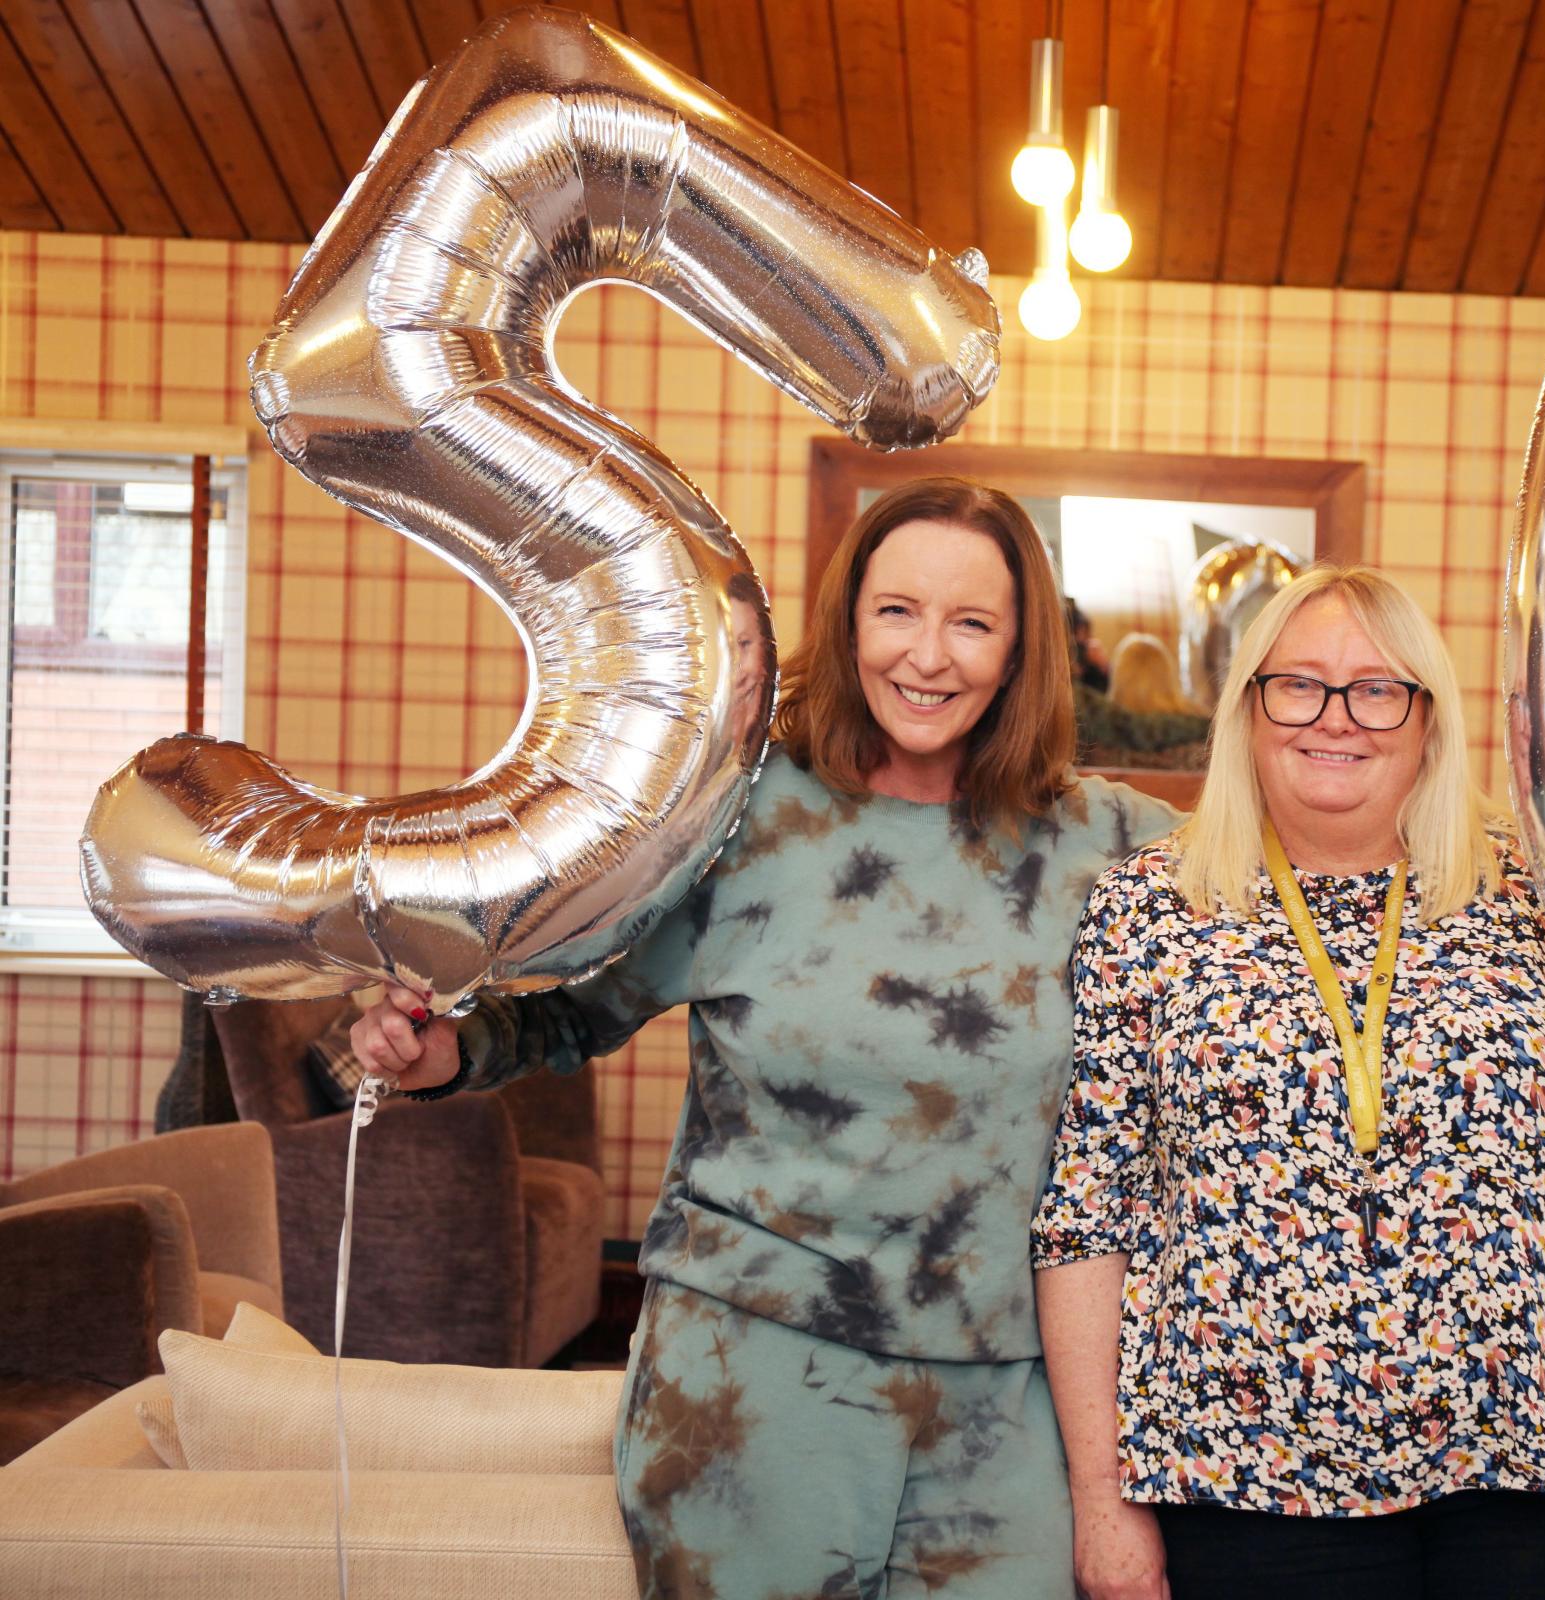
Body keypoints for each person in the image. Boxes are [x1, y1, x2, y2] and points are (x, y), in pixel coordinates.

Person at [350, 477, 1181, 1600]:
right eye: (896, 611)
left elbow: (1300, 898)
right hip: (759, 1372)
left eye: (972, 622)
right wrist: (438, 1050)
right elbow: (563, 1013)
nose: (928, 655)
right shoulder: (738, 818)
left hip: (1011, 1393)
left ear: (1023, 648)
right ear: (847, 623)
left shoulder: (1112, 844)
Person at [1030, 565, 1545, 1600]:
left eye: (1380, 689)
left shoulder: (1539, 897)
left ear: (1429, 719)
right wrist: (1103, 1503)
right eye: (1299, 685)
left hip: (1543, 1467)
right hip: (1248, 1481)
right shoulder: (1149, 907)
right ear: (1247, 708)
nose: (1337, 717)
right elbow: (1087, 1217)